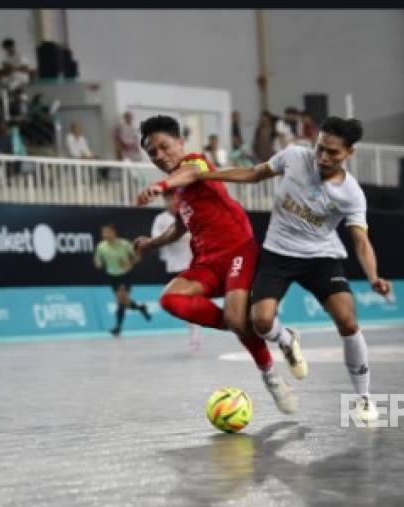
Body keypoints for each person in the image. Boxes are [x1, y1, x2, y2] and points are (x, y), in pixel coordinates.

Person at [194, 116, 392, 422]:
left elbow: (361, 241)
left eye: (333, 152)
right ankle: (287, 340)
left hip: (320, 259)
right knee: (260, 321)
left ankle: (364, 398)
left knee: (348, 320)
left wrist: (373, 276)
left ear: (349, 153)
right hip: (278, 254)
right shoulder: (294, 157)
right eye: (320, 148)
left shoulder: (351, 193)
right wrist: (206, 176)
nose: (323, 157)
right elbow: (254, 173)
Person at [133, 114, 296, 414]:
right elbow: (179, 228)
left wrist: (161, 185)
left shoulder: (196, 163)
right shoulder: (179, 195)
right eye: (152, 153)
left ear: (181, 143)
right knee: (171, 299)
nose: (160, 155)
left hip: (237, 251)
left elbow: (191, 174)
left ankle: (271, 375)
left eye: (165, 147)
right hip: (206, 262)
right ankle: (248, 326)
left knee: (237, 320)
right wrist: (151, 243)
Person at [151, 190, 201, 350]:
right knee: (178, 302)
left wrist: (175, 236)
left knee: (189, 299)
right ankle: (193, 329)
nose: (171, 203)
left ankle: (195, 334)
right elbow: (156, 238)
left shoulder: (189, 215)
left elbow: (196, 235)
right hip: (173, 267)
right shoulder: (161, 219)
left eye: (173, 199)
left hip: (191, 265)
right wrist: (173, 236)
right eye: (167, 200)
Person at [93, 223, 152, 336]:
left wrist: (130, 262)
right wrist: (98, 264)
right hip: (112, 276)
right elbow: (97, 260)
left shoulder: (125, 244)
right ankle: (141, 308)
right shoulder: (101, 246)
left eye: (108, 232)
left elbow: (137, 256)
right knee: (123, 301)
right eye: (103, 232)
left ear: (114, 233)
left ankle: (118, 327)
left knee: (121, 299)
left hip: (125, 275)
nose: (105, 234)